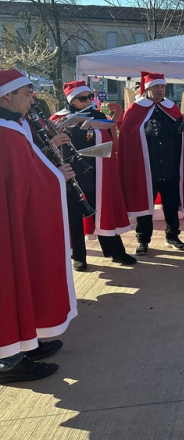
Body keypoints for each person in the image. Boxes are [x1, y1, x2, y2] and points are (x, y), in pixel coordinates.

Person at [0, 69, 77, 384]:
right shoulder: (6, 132)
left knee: (22, 278)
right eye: (26, 93)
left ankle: (23, 343)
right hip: (7, 226)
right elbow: (23, 181)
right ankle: (8, 358)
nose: (33, 98)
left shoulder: (13, 126)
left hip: (13, 219)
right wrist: (58, 177)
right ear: (6, 95)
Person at [51, 81, 136, 270]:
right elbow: (51, 147)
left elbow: (109, 144)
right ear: (72, 101)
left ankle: (115, 251)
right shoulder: (57, 119)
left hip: (97, 173)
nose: (88, 101)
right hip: (72, 173)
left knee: (104, 210)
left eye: (90, 97)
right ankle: (78, 256)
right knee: (74, 215)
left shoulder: (99, 117)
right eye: (83, 99)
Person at [118, 71, 184, 256]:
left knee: (171, 204)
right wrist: (144, 131)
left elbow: (179, 136)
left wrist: (179, 131)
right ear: (147, 89)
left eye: (163, 87)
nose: (160, 90)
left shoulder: (171, 107)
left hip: (169, 166)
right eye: (156, 87)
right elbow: (126, 134)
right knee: (145, 205)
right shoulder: (135, 109)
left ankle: (173, 236)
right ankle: (143, 240)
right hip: (146, 168)